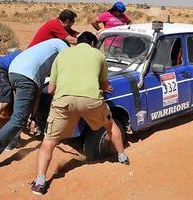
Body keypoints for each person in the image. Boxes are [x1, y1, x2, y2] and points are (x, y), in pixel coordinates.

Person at [31, 32, 129, 195]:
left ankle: (40, 181)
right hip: (91, 100)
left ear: (78, 42)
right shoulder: (98, 55)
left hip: (63, 101)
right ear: (92, 43)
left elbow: (51, 89)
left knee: (49, 141)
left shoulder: (62, 55)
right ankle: (122, 156)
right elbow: (105, 85)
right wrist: (103, 87)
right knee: (110, 125)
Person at [0, 39, 69, 173]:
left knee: (18, 116)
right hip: (26, 77)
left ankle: (11, 142)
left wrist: (34, 117)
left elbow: (37, 93)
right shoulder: (62, 45)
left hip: (14, 72)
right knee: (19, 119)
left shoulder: (43, 60)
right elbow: (70, 61)